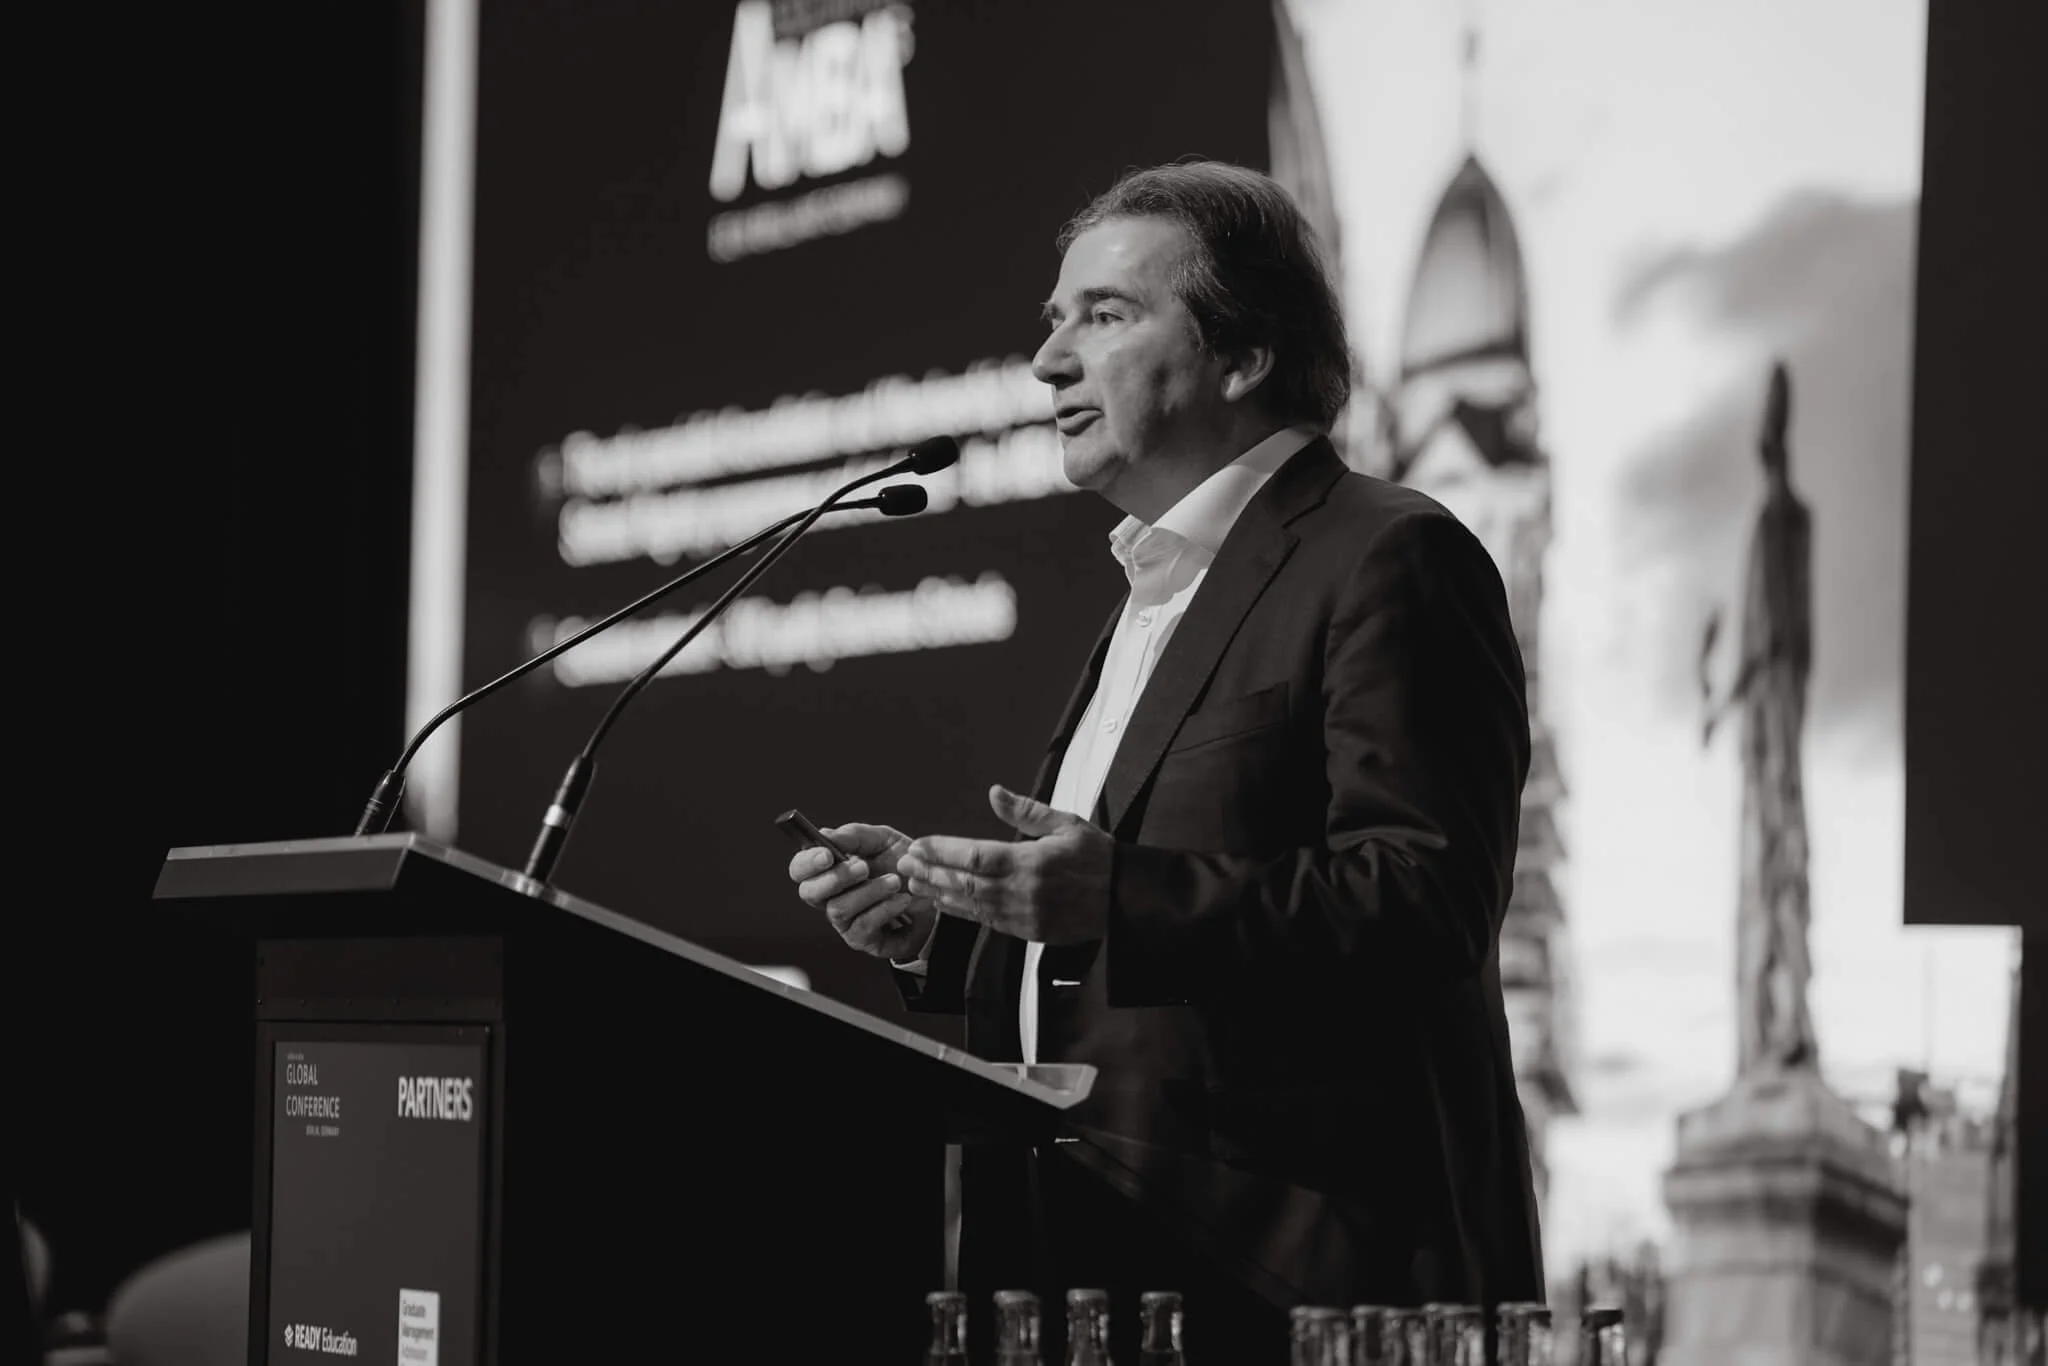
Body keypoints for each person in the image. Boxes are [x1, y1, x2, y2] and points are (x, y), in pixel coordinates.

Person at [788, 161, 1542, 1361]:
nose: (1047, 362)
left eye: (1104, 314)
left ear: (1241, 356)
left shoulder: (1390, 556)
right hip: (1095, 1278)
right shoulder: (1149, 596)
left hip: (1292, 1289)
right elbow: (1116, 952)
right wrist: (943, 928)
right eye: (1053, 321)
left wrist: (1119, 894)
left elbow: (1427, 897)